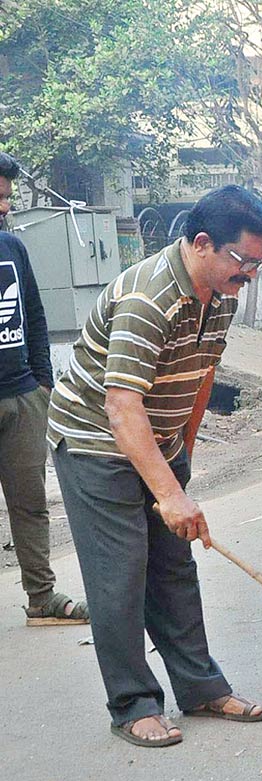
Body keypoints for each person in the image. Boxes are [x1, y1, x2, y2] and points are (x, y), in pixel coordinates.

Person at [47, 185, 262, 747]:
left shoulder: (223, 293)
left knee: (174, 567)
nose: (249, 274)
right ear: (203, 244)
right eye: (243, 261)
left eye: (258, 265)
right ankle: (132, 703)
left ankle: (200, 689)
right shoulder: (150, 297)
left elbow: (200, 378)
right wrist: (168, 494)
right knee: (121, 573)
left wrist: (182, 458)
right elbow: (121, 407)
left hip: (158, 439)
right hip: (96, 442)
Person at [0, 152, 86, 625]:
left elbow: (34, 316)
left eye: (8, 197)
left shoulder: (13, 249)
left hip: (22, 396)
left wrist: (42, 383)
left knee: (30, 504)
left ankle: (41, 597)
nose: (5, 207)